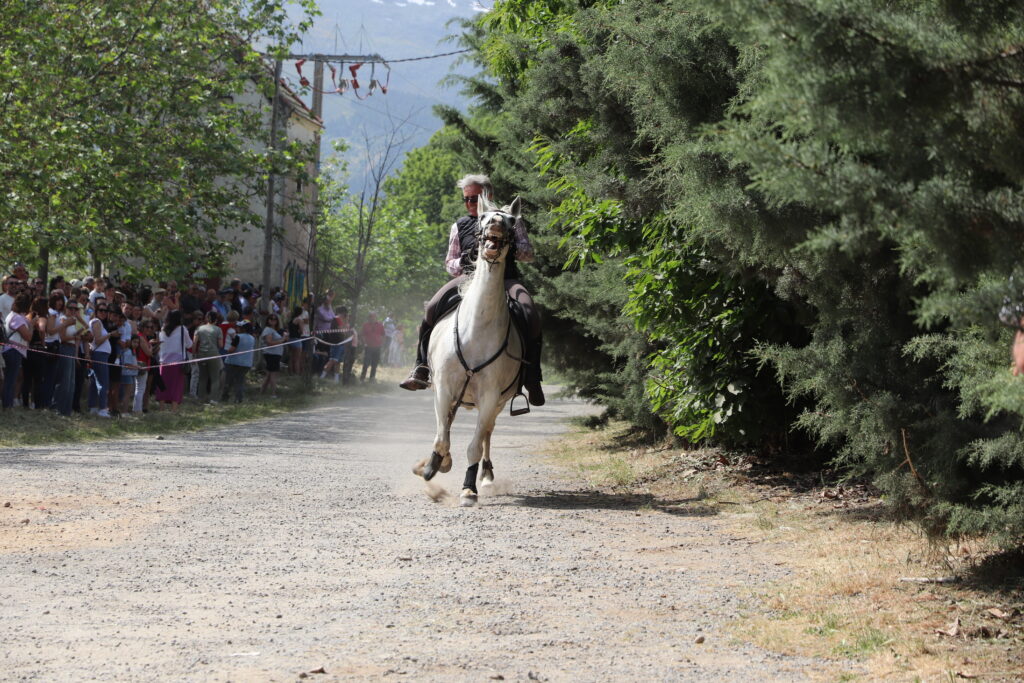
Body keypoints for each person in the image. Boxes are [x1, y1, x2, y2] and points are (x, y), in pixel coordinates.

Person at [399, 173, 545, 406]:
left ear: (488, 195)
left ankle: (532, 378)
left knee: (530, 312)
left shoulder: (510, 219)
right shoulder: (459, 225)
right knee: (432, 308)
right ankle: (421, 367)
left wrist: (508, 246)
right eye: (466, 199)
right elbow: (450, 263)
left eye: (474, 198)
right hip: (468, 278)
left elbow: (528, 254)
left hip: (505, 279)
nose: (470, 203)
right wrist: (467, 259)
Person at [155, 310, 191, 411]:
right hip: (178, 362)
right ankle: (174, 410)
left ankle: (161, 408)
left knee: (162, 385)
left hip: (163, 361)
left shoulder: (163, 329)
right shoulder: (182, 329)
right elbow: (189, 344)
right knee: (176, 386)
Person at [2, 293, 31, 409]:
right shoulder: (17, 318)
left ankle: (7, 404)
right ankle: (7, 405)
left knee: (10, 379)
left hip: (10, 350)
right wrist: (32, 325)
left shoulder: (12, 315)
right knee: (11, 379)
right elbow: (27, 336)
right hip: (13, 351)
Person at [87, 303, 112, 417]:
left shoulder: (98, 322)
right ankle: (102, 409)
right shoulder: (96, 321)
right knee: (103, 382)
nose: (104, 313)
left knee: (95, 382)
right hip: (100, 355)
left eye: (106, 311)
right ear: (96, 311)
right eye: (101, 310)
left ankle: (93, 407)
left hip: (100, 354)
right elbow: (97, 340)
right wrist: (110, 335)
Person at [192, 311, 223, 404]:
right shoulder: (218, 329)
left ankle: (201, 398)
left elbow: (194, 343)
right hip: (213, 354)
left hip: (201, 355)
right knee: (215, 378)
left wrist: (194, 355)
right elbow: (221, 345)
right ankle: (213, 399)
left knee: (202, 378)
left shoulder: (199, 328)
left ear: (206, 318)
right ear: (216, 320)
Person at [224, 319, 255, 403]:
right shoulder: (252, 338)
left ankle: (225, 397)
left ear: (243, 328)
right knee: (240, 381)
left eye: (239, 327)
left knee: (228, 381)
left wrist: (226, 350)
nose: (237, 328)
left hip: (233, 362)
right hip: (246, 364)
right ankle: (239, 399)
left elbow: (231, 350)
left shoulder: (238, 337)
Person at [259, 313, 287, 396]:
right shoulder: (268, 330)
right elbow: (269, 342)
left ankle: (261, 393)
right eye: (271, 319)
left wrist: (285, 338)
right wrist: (282, 340)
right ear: (268, 320)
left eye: (275, 319)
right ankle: (273, 394)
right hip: (271, 354)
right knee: (273, 374)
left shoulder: (274, 330)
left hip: (275, 355)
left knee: (268, 375)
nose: (273, 321)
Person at [360, 311, 385, 383]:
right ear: (369, 317)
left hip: (377, 347)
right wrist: (364, 343)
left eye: (374, 316)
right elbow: (362, 335)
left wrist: (382, 343)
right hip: (368, 347)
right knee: (366, 363)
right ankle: (362, 378)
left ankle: (372, 378)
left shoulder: (380, 325)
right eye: (371, 316)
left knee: (375, 364)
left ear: (376, 317)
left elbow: (383, 335)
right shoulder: (365, 325)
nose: (372, 318)